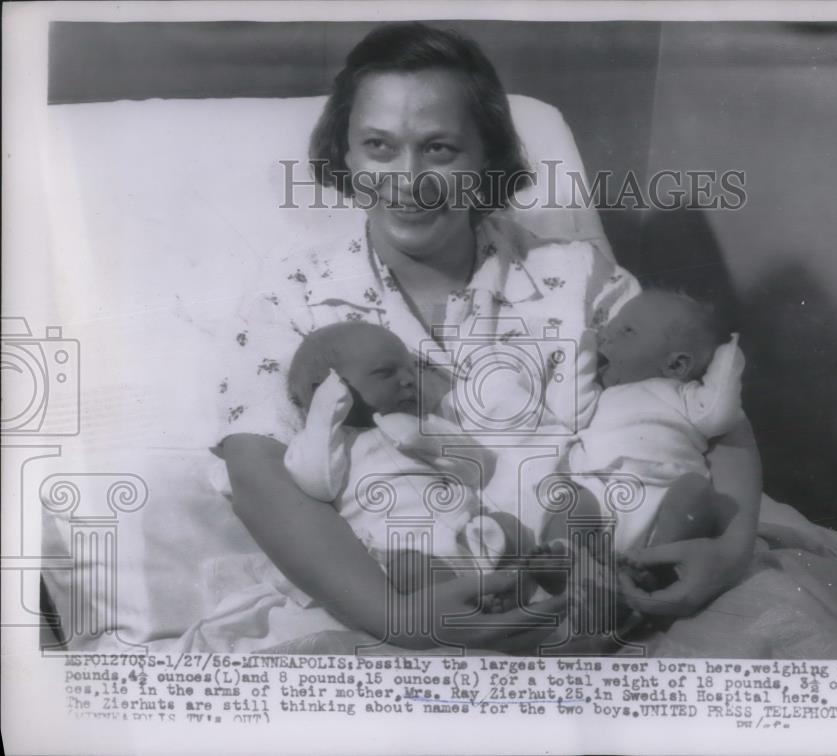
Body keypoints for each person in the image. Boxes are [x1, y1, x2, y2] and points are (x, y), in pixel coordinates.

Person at [216, 21, 761, 652]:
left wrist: (729, 549)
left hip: (606, 586)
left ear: (488, 159)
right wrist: (398, 618)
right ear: (345, 156)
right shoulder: (290, 299)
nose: (409, 177)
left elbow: (713, 415)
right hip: (395, 597)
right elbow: (257, 471)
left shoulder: (578, 277)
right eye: (379, 146)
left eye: (440, 149)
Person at [282, 321, 533, 596]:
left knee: (507, 526)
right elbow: (317, 484)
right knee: (415, 573)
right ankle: (481, 601)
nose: (409, 380)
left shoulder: (426, 423)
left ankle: (523, 581)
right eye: (385, 373)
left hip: (464, 525)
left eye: (411, 371)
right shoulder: (324, 442)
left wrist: (429, 440)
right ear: (327, 390)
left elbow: (474, 468)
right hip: (404, 547)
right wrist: (323, 416)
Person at [530, 288, 745, 595]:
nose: (606, 335)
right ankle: (563, 559)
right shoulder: (598, 395)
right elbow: (567, 407)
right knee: (573, 501)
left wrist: (728, 355)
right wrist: (584, 344)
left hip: (662, 497)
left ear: (675, 366)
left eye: (626, 332)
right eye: (609, 328)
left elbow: (721, 412)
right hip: (601, 491)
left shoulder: (684, 397)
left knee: (694, 490)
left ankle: (656, 563)